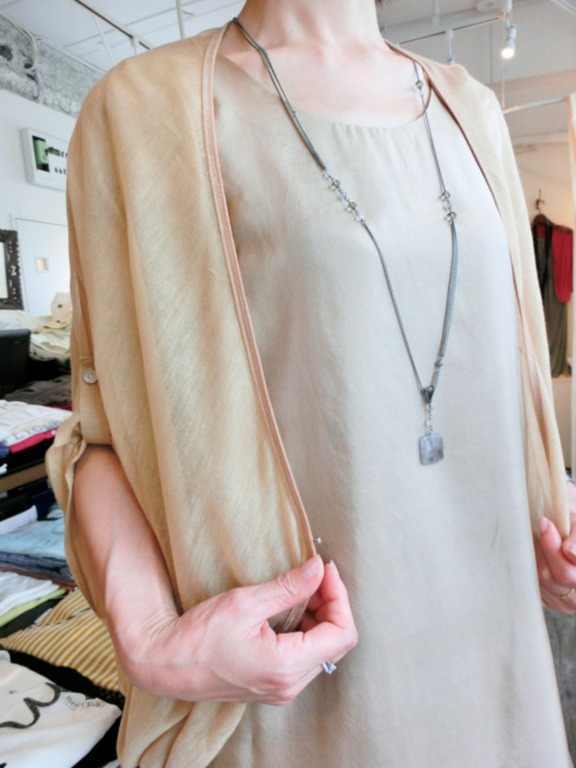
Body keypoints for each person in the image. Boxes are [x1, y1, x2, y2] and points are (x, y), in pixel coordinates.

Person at [47, 1, 576, 766]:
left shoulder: (474, 111)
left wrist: (553, 515)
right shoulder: (140, 111)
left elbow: (506, 380)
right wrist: (150, 638)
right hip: (296, 688)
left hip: (499, 661)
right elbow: (101, 434)